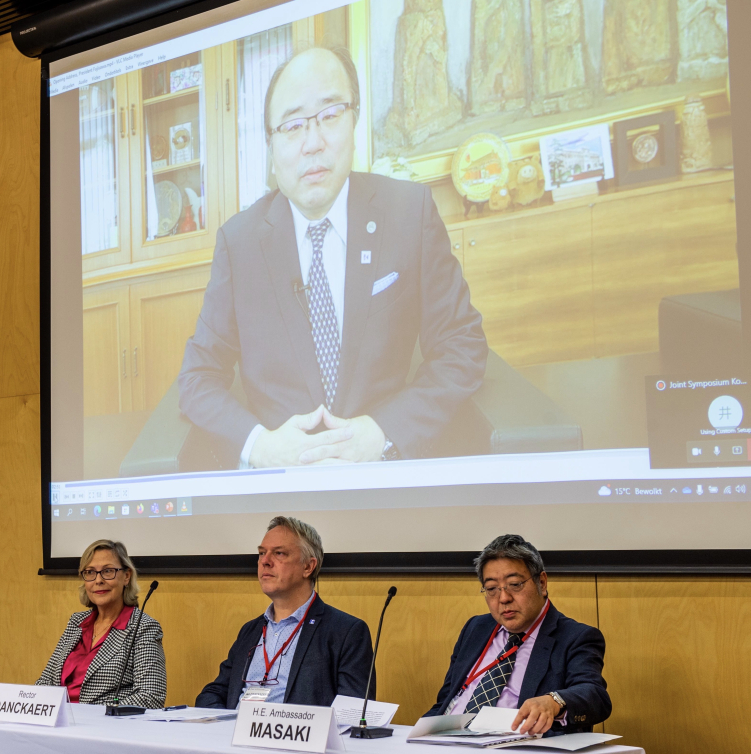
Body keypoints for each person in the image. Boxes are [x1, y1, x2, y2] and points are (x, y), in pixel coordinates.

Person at [178, 46, 486, 469]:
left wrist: (384, 431)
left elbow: (461, 345)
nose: (313, 142)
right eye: (292, 126)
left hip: (383, 472)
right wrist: (261, 446)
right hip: (282, 496)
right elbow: (198, 378)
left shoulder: (408, 213)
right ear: (271, 147)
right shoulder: (239, 243)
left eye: (329, 115)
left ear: (354, 119)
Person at [426, 534, 610, 736]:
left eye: (515, 584)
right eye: (492, 589)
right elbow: (446, 700)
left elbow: (596, 696)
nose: (503, 598)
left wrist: (554, 701)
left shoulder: (575, 637)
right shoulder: (475, 628)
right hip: (446, 741)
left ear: (542, 582)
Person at [196, 516, 374, 708]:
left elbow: (353, 711)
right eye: (262, 553)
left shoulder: (346, 632)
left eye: (279, 553)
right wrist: (226, 726)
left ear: (308, 566)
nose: (265, 561)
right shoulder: (250, 630)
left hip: (296, 735)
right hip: (236, 733)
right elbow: (212, 694)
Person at [37, 539, 166, 707]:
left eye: (108, 571)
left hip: (106, 728)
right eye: (90, 572)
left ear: (127, 576)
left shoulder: (143, 627)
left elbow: (151, 696)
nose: (98, 580)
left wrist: (95, 715)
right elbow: (45, 681)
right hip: (60, 723)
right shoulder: (77, 622)